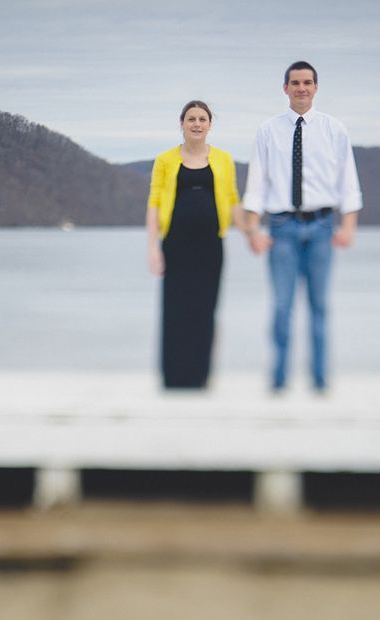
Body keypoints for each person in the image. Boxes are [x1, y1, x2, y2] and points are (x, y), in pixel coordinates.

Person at [243, 61, 363, 392]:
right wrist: (253, 231)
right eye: (295, 83)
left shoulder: (334, 129)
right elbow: (256, 186)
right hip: (281, 229)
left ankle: (320, 382)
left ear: (316, 87)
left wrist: (348, 226)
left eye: (307, 82)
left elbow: (348, 183)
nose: (301, 88)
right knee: (281, 308)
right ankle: (279, 381)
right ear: (285, 88)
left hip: (322, 227)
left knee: (319, 307)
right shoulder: (268, 130)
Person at [145, 100, 245, 389]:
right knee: (175, 308)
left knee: (205, 309)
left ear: (210, 124)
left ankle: (201, 376)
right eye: (191, 119)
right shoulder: (165, 160)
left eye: (202, 119)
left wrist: (251, 230)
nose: (197, 123)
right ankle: (173, 378)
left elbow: (231, 199)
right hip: (175, 244)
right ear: (182, 124)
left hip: (211, 245)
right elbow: (153, 203)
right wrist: (152, 247)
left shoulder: (224, 159)